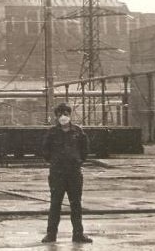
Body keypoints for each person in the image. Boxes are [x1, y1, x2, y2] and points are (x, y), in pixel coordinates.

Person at [40, 103, 93, 244]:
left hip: (74, 173)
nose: (63, 117)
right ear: (56, 116)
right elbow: (45, 150)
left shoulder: (78, 132)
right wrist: (55, 161)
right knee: (55, 203)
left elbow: (85, 150)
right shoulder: (51, 133)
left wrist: (78, 161)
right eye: (60, 114)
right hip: (57, 173)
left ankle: (78, 234)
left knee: (76, 204)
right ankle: (51, 234)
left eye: (66, 114)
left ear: (70, 115)